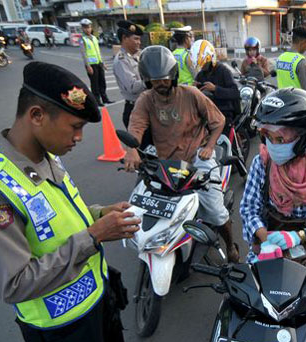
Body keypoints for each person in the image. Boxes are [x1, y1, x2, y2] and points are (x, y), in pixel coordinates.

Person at [0, 61, 139, 342]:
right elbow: (15, 283)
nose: (79, 137)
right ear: (36, 115)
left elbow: (60, 218)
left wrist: (99, 214)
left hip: (98, 301)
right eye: (75, 127)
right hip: (63, 330)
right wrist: (94, 236)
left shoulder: (47, 156)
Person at [239, 88, 306, 342]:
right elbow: (249, 208)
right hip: (265, 251)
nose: (272, 145)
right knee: (245, 309)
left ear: (303, 138)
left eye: (280, 138)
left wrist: (296, 237)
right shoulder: (262, 162)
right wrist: (265, 240)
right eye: (267, 136)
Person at [123, 46, 239, 263]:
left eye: (165, 79)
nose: (160, 84)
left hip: (197, 159)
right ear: (147, 80)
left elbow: (218, 121)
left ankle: (230, 245)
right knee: (143, 202)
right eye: (155, 80)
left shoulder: (191, 94)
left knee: (215, 210)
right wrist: (131, 150)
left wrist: (209, 147)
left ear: (173, 76)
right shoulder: (146, 100)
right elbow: (136, 126)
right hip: (166, 162)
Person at [112, 20, 153, 151]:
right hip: (135, 109)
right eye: (135, 39)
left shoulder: (139, 55)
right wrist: (152, 80)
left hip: (148, 105)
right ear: (124, 38)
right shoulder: (121, 61)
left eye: (139, 39)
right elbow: (133, 87)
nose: (139, 42)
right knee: (145, 150)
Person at [191, 39, 241, 125]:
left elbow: (235, 92)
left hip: (224, 112)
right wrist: (194, 89)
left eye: (204, 64)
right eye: (200, 65)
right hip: (207, 112)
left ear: (210, 59)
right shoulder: (201, 74)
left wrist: (215, 89)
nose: (202, 67)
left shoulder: (223, 70)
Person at [79, 18, 113, 106]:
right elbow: (84, 54)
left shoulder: (94, 38)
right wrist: (88, 66)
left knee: (102, 82)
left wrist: (102, 62)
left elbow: (98, 51)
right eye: (85, 28)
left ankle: (105, 98)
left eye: (89, 27)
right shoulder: (83, 39)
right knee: (95, 84)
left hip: (98, 63)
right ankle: (97, 101)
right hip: (91, 65)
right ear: (82, 28)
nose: (88, 29)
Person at [275, 26, 306, 95]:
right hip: (298, 103)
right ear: (302, 42)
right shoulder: (299, 61)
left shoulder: (280, 58)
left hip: (282, 101)